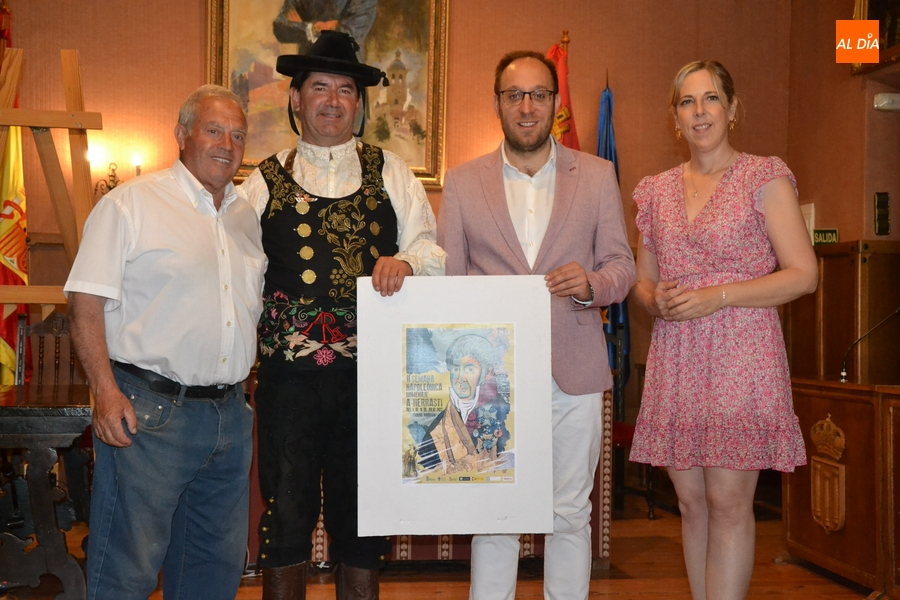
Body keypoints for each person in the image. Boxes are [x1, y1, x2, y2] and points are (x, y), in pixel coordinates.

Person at [238, 29, 446, 600]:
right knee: (287, 517)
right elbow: (235, 275)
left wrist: (404, 261)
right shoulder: (261, 181)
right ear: (295, 99)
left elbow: (432, 253)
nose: (333, 100)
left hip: (370, 380)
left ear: (360, 104)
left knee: (363, 518)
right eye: (320, 87)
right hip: (287, 380)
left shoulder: (393, 173)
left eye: (346, 90)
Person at [437, 50, 636, 600]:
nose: (527, 107)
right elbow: (448, 283)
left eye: (538, 95)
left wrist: (593, 283)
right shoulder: (461, 182)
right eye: (514, 95)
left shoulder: (596, 176)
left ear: (553, 103)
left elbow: (623, 266)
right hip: (489, 382)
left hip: (572, 372)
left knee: (569, 512)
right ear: (498, 102)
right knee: (493, 514)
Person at [628, 60, 818, 600]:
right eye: (687, 102)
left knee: (730, 505)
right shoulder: (654, 191)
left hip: (742, 355)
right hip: (677, 357)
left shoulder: (765, 177)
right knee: (690, 505)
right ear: (675, 117)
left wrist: (720, 295)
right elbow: (644, 282)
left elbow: (804, 274)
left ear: (733, 110)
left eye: (711, 99)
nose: (700, 111)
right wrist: (655, 300)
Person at [66, 84, 264, 599]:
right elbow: (84, 304)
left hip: (230, 417)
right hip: (149, 415)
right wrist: (106, 394)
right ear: (181, 134)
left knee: (212, 573)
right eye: (213, 129)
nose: (227, 143)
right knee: (127, 571)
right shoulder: (130, 204)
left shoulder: (246, 216)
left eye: (238, 134)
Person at [417, 334, 510, 475]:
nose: (460, 379)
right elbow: (425, 465)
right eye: (455, 369)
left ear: (487, 373)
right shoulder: (440, 423)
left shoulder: (503, 413)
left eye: (470, 370)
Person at [273, 0, 377, 62]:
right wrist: (313, 28)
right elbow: (280, 28)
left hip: (347, 73)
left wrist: (302, 27)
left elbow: (348, 36)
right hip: (308, 71)